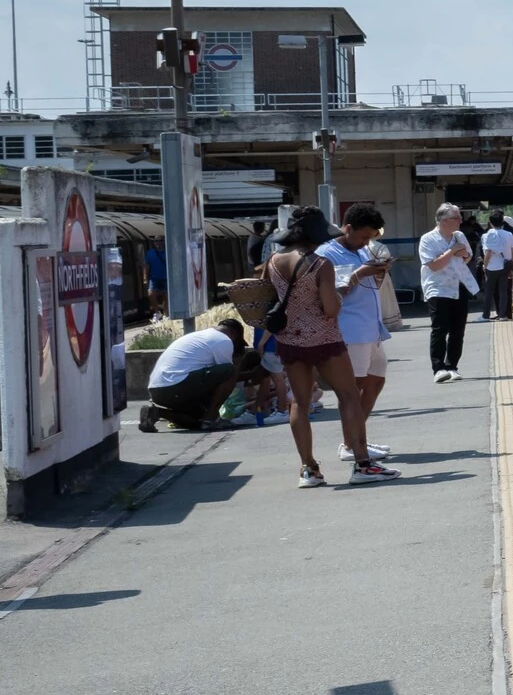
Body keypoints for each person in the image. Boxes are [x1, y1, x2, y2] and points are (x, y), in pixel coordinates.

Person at [262, 207, 376, 488]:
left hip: (289, 340)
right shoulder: (320, 264)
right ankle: (362, 465)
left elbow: (270, 297)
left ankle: (308, 470)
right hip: (325, 340)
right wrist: (338, 292)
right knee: (349, 395)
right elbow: (331, 308)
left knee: (300, 402)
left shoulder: (273, 261)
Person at [318, 204, 399, 472]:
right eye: (363, 236)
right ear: (347, 228)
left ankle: (356, 439)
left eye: (371, 238)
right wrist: (361, 272)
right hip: (350, 329)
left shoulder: (361, 249)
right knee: (352, 391)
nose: (367, 242)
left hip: (370, 328)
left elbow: (365, 285)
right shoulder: (327, 254)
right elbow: (333, 292)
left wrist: (378, 271)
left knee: (376, 380)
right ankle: (351, 445)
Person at [140, 318, 246, 432]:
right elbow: (228, 376)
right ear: (233, 334)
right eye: (237, 343)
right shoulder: (223, 340)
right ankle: (211, 418)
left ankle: (156, 412)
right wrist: (252, 374)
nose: (235, 347)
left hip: (158, 391)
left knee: (197, 422)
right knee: (231, 370)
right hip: (176, 386)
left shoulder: (199, 336)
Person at [418, 203, 478, 381]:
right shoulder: (428, 239)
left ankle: (452, 366)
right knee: (440, 328)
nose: (461, 220)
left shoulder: (459, 235)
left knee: (458, 329)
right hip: (437, 287)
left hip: (458, 285)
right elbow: (434, 265)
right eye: (457, 218)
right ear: (444, 221)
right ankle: (438, 368)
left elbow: (467, 256)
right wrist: (452, 251)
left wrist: (463, 255)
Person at [481, 213, 513, 320]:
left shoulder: (487, 235)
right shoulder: (509, 235)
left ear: (490, 222)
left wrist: (485, 266)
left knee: (488, 292)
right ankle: (503, 315)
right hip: (505, 266)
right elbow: (512, 252)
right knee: (503, 291)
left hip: (492, 267)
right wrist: (511, 266)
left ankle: (485, 315)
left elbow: (488, 253)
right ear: (502, 222)